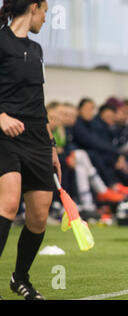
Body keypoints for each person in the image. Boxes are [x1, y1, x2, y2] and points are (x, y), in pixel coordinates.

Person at [0, 0, 58, 300]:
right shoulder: (1, 42)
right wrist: (1, 116)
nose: (47, 18)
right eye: (46, 11)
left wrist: (51, 146)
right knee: (9, 204)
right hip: (5, 136)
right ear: (33, 7)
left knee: (38, 217)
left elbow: (39, 100)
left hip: (37, 137)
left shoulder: (36, 50)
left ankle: (19, 278)